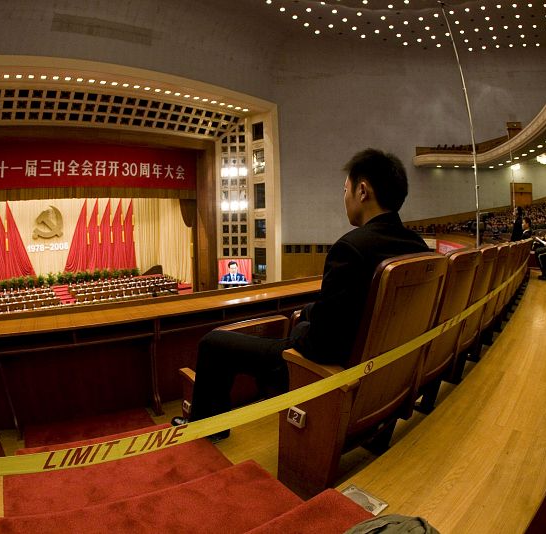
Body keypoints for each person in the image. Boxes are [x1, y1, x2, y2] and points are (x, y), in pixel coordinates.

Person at [174, 148, 429, 440]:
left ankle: (206, 429)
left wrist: (302, 327)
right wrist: (310, 314)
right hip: (387, 371)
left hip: (328, 369)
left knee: (214, 342)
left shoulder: (352, 248)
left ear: (362, 190)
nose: (344, 198)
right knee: (302, 319)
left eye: (344, 189)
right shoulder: (417, 246)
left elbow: (320, 345)